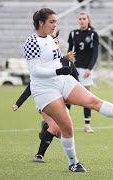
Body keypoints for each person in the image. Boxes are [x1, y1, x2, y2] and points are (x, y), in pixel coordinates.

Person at [23, 8, 113, 172]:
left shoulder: (51, 39)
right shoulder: (31, 42)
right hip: (44, 89)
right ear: (41, 23)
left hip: (61, 80)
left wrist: (65, 64)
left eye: (55, 21)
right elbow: (35, 71)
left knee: (93, 101)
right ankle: (73, 163)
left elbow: (54, 61)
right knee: (67, 126)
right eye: (52, 22)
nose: (55, 25)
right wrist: (58, 71)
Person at [13, 32, 78, 163]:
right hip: (45, 99)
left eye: (57, 43)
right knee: (54, 126)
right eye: (53, 43)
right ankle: (39, 156)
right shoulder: (43, 65)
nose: (55, 45)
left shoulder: (67, 63)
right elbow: (32, 85)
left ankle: (46, 128)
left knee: (62, 132)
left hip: (63, 102)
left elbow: (77, 83)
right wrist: (18, 103)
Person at [67, 12, 99, 133]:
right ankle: (65, 121)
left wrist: (89, 68)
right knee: (68, 96)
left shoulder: (93, 35)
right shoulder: (73, 33)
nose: (82, 21)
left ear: (88, 20)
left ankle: (87, 125)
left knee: (86, 97)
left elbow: (95, 54)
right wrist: (69, 65)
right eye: (80, 19)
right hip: (74, 70)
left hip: (86, 70)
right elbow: (70, 51)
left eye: (84, 19)